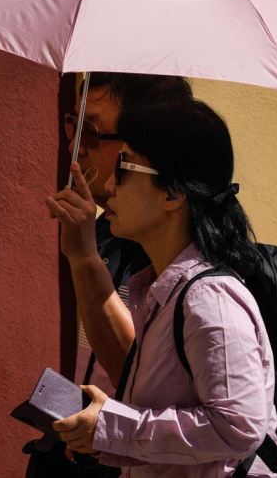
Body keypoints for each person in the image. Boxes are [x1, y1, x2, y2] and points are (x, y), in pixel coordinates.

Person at [44, 100, 277, 477]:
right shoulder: (164, 291)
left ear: (173, 194)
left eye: (124, 168)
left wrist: (113, 426)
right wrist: (105, 421)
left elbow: (238, 427)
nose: (107, 186)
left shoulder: (209, 299)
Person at [65, 73, 193, 398]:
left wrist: (83, 260)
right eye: (73, 126)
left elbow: (142, 384)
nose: (74, 147)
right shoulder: (104, 230)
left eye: (90, 132)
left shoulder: (180, 258)